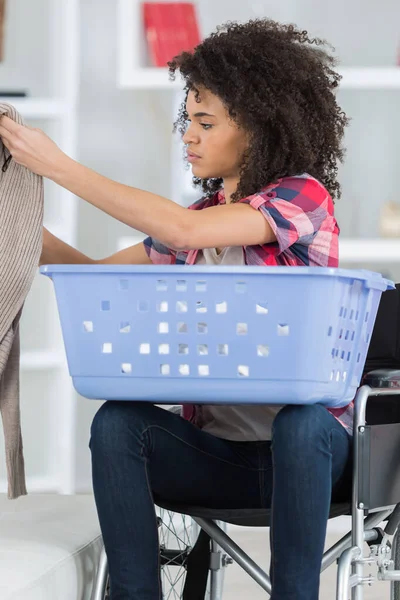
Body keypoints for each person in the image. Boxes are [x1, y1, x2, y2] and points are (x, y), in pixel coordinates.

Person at [0, 18, 353, 600]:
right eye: (187, 119)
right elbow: (90, 277)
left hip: (316, 455)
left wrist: (56, 164)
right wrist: (15, 224)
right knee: (118, 422)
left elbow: (183, 227)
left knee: (301, 422)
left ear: (259, 128)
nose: (188, 135)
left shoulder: (301, 199)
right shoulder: (193, 227)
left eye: (205, 122)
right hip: (224, 460)